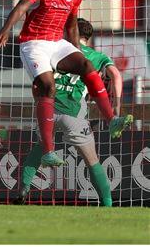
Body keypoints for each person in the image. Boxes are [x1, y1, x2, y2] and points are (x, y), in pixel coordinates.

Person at [0, 0, 133, 167]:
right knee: (48, 87)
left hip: (56, 42)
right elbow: (21, 7)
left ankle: (112, 120)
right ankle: (48, 151)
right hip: (33, 43)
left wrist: (77, 50)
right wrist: (6, 29)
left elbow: (72, 24)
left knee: (87, 65)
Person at [14, 18, 123, 207]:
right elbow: (115, 74)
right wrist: (117, 107)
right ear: (88, 39)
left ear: (68, 33)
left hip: (48, 110)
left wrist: (39, 103)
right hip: (74, 113)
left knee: (40, 149)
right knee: (92, 160)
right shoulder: (96, 57)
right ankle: (107, 203)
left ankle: (23, 189)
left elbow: (36, 83)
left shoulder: (55, 51)